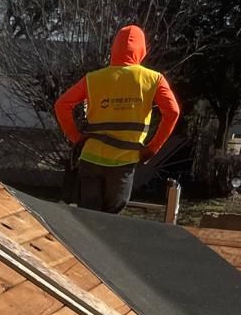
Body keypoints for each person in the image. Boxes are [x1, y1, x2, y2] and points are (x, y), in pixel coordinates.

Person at [54, 25, 181, 213]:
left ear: (114, 48)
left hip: (91, 159)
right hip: (123, 163)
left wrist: (76, 137)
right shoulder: (153, 79)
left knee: (87, 220)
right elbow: (173, 112)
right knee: (110, 221)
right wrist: (152, 148)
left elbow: (61, 105)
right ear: (142, 50)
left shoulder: (93, 78)